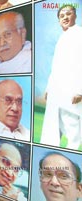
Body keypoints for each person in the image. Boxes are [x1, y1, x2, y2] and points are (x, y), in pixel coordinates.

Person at [41, 5, 82, 150]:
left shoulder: (79, 34)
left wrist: (80, 91)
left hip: (70, 93)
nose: (65, 17)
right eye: (61, 16)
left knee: (72, 133)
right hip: (56, 92)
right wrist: (48, 88)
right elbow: (56, 67)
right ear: (59, 21)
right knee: (52, 131)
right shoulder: (62, 37)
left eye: (68, 14)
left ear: (75, 16)